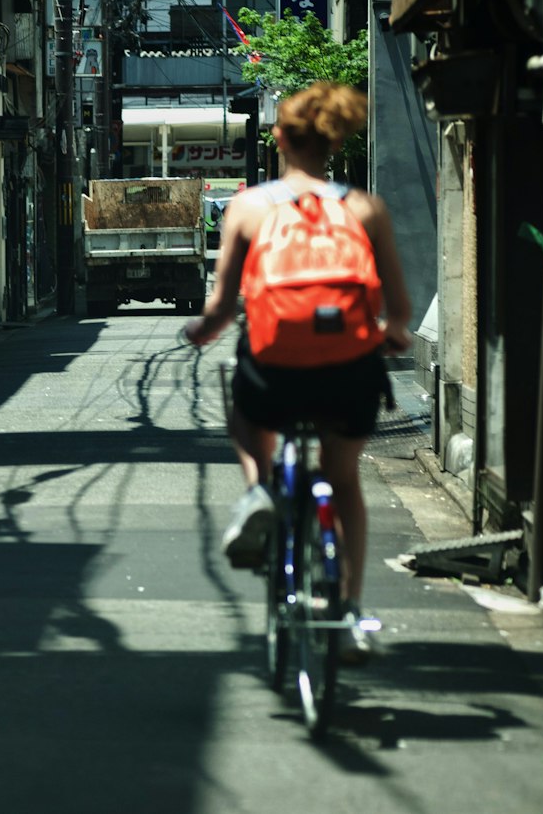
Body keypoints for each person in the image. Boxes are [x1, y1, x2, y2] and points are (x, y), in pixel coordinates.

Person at [183, 82, 411, 663]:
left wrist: (203, 331)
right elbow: (400, 309)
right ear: (334, 142)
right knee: (345, 481)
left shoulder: (250, 206)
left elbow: (222, 305)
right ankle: (350, 611)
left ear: (279, 138)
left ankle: (260, 488)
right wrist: (392, 335)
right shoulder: (364, 208)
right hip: (349, 371)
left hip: (277, 368)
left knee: (244, 408)